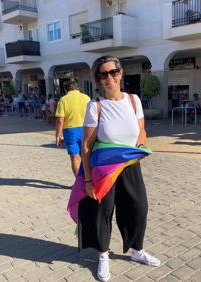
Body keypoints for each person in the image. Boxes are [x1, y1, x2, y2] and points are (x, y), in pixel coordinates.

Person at [79, 55, 160, 282]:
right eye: (103, 74)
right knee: (103, 212)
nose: (109, 78)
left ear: (120, 73)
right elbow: (86, 146)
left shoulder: (134, 101)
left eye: (113, 72)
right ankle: (103, 255)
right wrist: (87, 180)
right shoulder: (95, 107)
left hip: (131, 166)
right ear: (98, 79)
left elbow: (141, 130)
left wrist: (142, 145)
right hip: (104, 169)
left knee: (138, 208)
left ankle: (137, 250)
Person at [55, 81, 90, 176]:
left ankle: (79, 183)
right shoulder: (86, 98)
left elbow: (60, 120)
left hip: (70, 131)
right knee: (86, 156)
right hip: (86, 130)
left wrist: (58, 135)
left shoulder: (63, 100)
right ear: (77, 87)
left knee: (74, 157)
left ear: (65, 89)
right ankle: (88, 180)